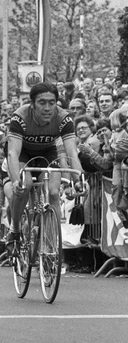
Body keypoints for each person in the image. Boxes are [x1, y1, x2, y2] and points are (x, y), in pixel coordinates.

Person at [6, 82, 84, 250]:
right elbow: (12, 153)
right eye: (42, 102)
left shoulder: (63, 118)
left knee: (54, 192)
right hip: (23, 153)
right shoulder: (20, 116)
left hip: (48, 152)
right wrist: (15, 181)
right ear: (32, 104)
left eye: (52, 102)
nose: (47, 108)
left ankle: (52, 244)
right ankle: (16, 229)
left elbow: (71, 152)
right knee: (25, 185)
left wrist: (78, 179)